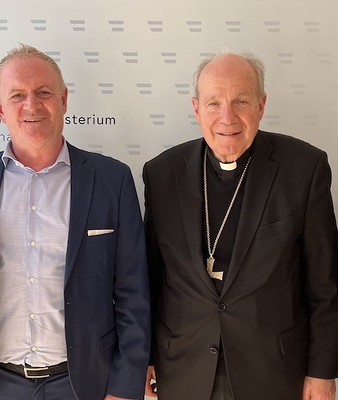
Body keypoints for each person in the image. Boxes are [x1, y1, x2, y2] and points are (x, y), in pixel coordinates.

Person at [0, 44, 150, 400]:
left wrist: (125, 389)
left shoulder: (112, 180)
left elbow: (133, 292)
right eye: (17, 95)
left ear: (64, 100)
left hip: (87, 384)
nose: (32, 105)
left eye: (44, 93)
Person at [143, 51, 338, 400]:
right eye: (214, 103)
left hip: (274, 372)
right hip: (183, 370)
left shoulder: (304, 169)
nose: (227, 117)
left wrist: (322, 371)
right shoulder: (161, 174)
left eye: (241, 101)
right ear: (196, 108)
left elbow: (325, 284)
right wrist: (145, 357)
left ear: (261, 105)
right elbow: (151, 279)